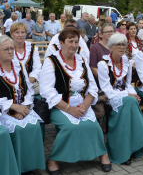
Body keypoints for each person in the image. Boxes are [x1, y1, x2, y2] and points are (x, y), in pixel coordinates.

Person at [40, 27, 110, 173]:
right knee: (71, 127)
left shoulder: (82, 59)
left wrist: (85, 105)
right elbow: (47, 91)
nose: (73, 45)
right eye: (70, 41)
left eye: (76, 42)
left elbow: (92, 86)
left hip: (83, 104)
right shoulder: (51, 61)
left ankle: (103, 154)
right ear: (61, 43)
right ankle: (53, 159)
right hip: (59, 105)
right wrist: (70, 109)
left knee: (94, 126)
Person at [98, 33, 143, 164]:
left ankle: (126, 151)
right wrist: (128, 95)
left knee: (131, 102)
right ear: (111, 47)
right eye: (118, 44)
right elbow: (106, 90)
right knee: (130, 101)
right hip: (110, 99)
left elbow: (128, 84)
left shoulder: (127, 62)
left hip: (125, 98)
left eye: (123, 44)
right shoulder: (103, 64)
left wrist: (131, 94)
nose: (122, 47)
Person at [0, 35, 45, 174]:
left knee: (34, 125)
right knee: (18, 129)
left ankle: (30, 166)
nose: (10, 51)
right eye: (5, 49)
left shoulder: (18, 65)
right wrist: (13, 106)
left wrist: (24, 107)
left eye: (11, 48)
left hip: (23, 106)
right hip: (4, 110)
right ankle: (17, 167)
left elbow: (29, 89)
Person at [11, 22, 41, 87]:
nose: (20, 35)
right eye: (17, 32)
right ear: (11, 34)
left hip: (31, 84)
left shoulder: (32, 48)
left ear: (26, 34)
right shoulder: (6, 48)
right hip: (12, 84)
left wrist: (29, 81)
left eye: (23, 32)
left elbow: (37, 67)